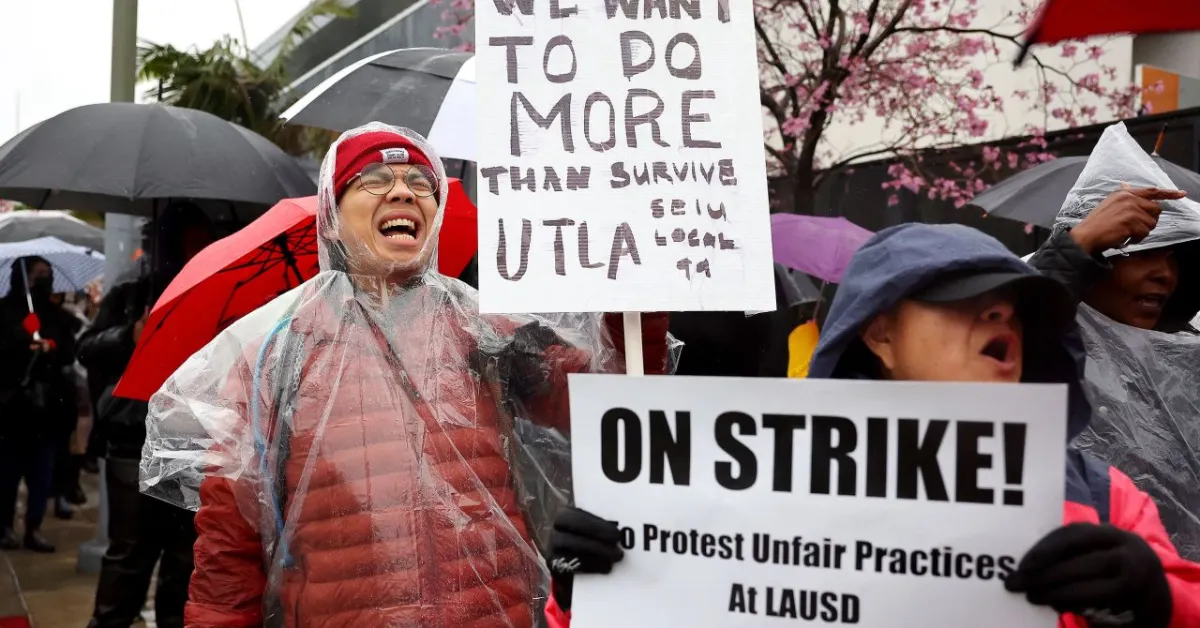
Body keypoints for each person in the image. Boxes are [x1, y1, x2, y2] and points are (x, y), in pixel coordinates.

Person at [139, 123, 672, 628]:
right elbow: (228, 555)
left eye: (421, 183)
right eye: (373, 181)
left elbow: (612, 402)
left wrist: (637, 301)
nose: (402, 192)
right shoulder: (276, 357)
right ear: (331, 214)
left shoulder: (487, 331)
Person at [543, 223, 1200, 628]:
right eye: (964, 301)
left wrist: (1156, 599)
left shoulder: (1100, 495)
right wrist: (582, 596)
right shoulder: (750, 482)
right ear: (880, 333)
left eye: (1015, 308)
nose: (1002, 318)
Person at [1026, 122, 1200, 561]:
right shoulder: (1037, 347)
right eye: (1141, 251)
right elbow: (1010, 325)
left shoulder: (1185, 362)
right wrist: (1076, 244)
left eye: (1175, 257)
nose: (1165, 274)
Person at [81, 203, 217, 628]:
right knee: (129, 558)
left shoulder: (215, 290)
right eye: (187, 237)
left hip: (192, 441)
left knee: (183, 563)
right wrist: (131, 335)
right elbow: (87, 348)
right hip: (132, 441)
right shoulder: (131, 293)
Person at [0, 257, 80, 552]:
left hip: (47, 410)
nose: (44, 280)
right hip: (11, 408)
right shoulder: (5, 311)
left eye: (47, 275)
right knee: (7, 471)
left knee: (41, 472)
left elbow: (70, 353)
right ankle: (5, 526)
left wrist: (51, 346)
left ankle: (34, 527)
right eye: (37, 275)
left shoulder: (55, 315)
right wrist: (23, 337)